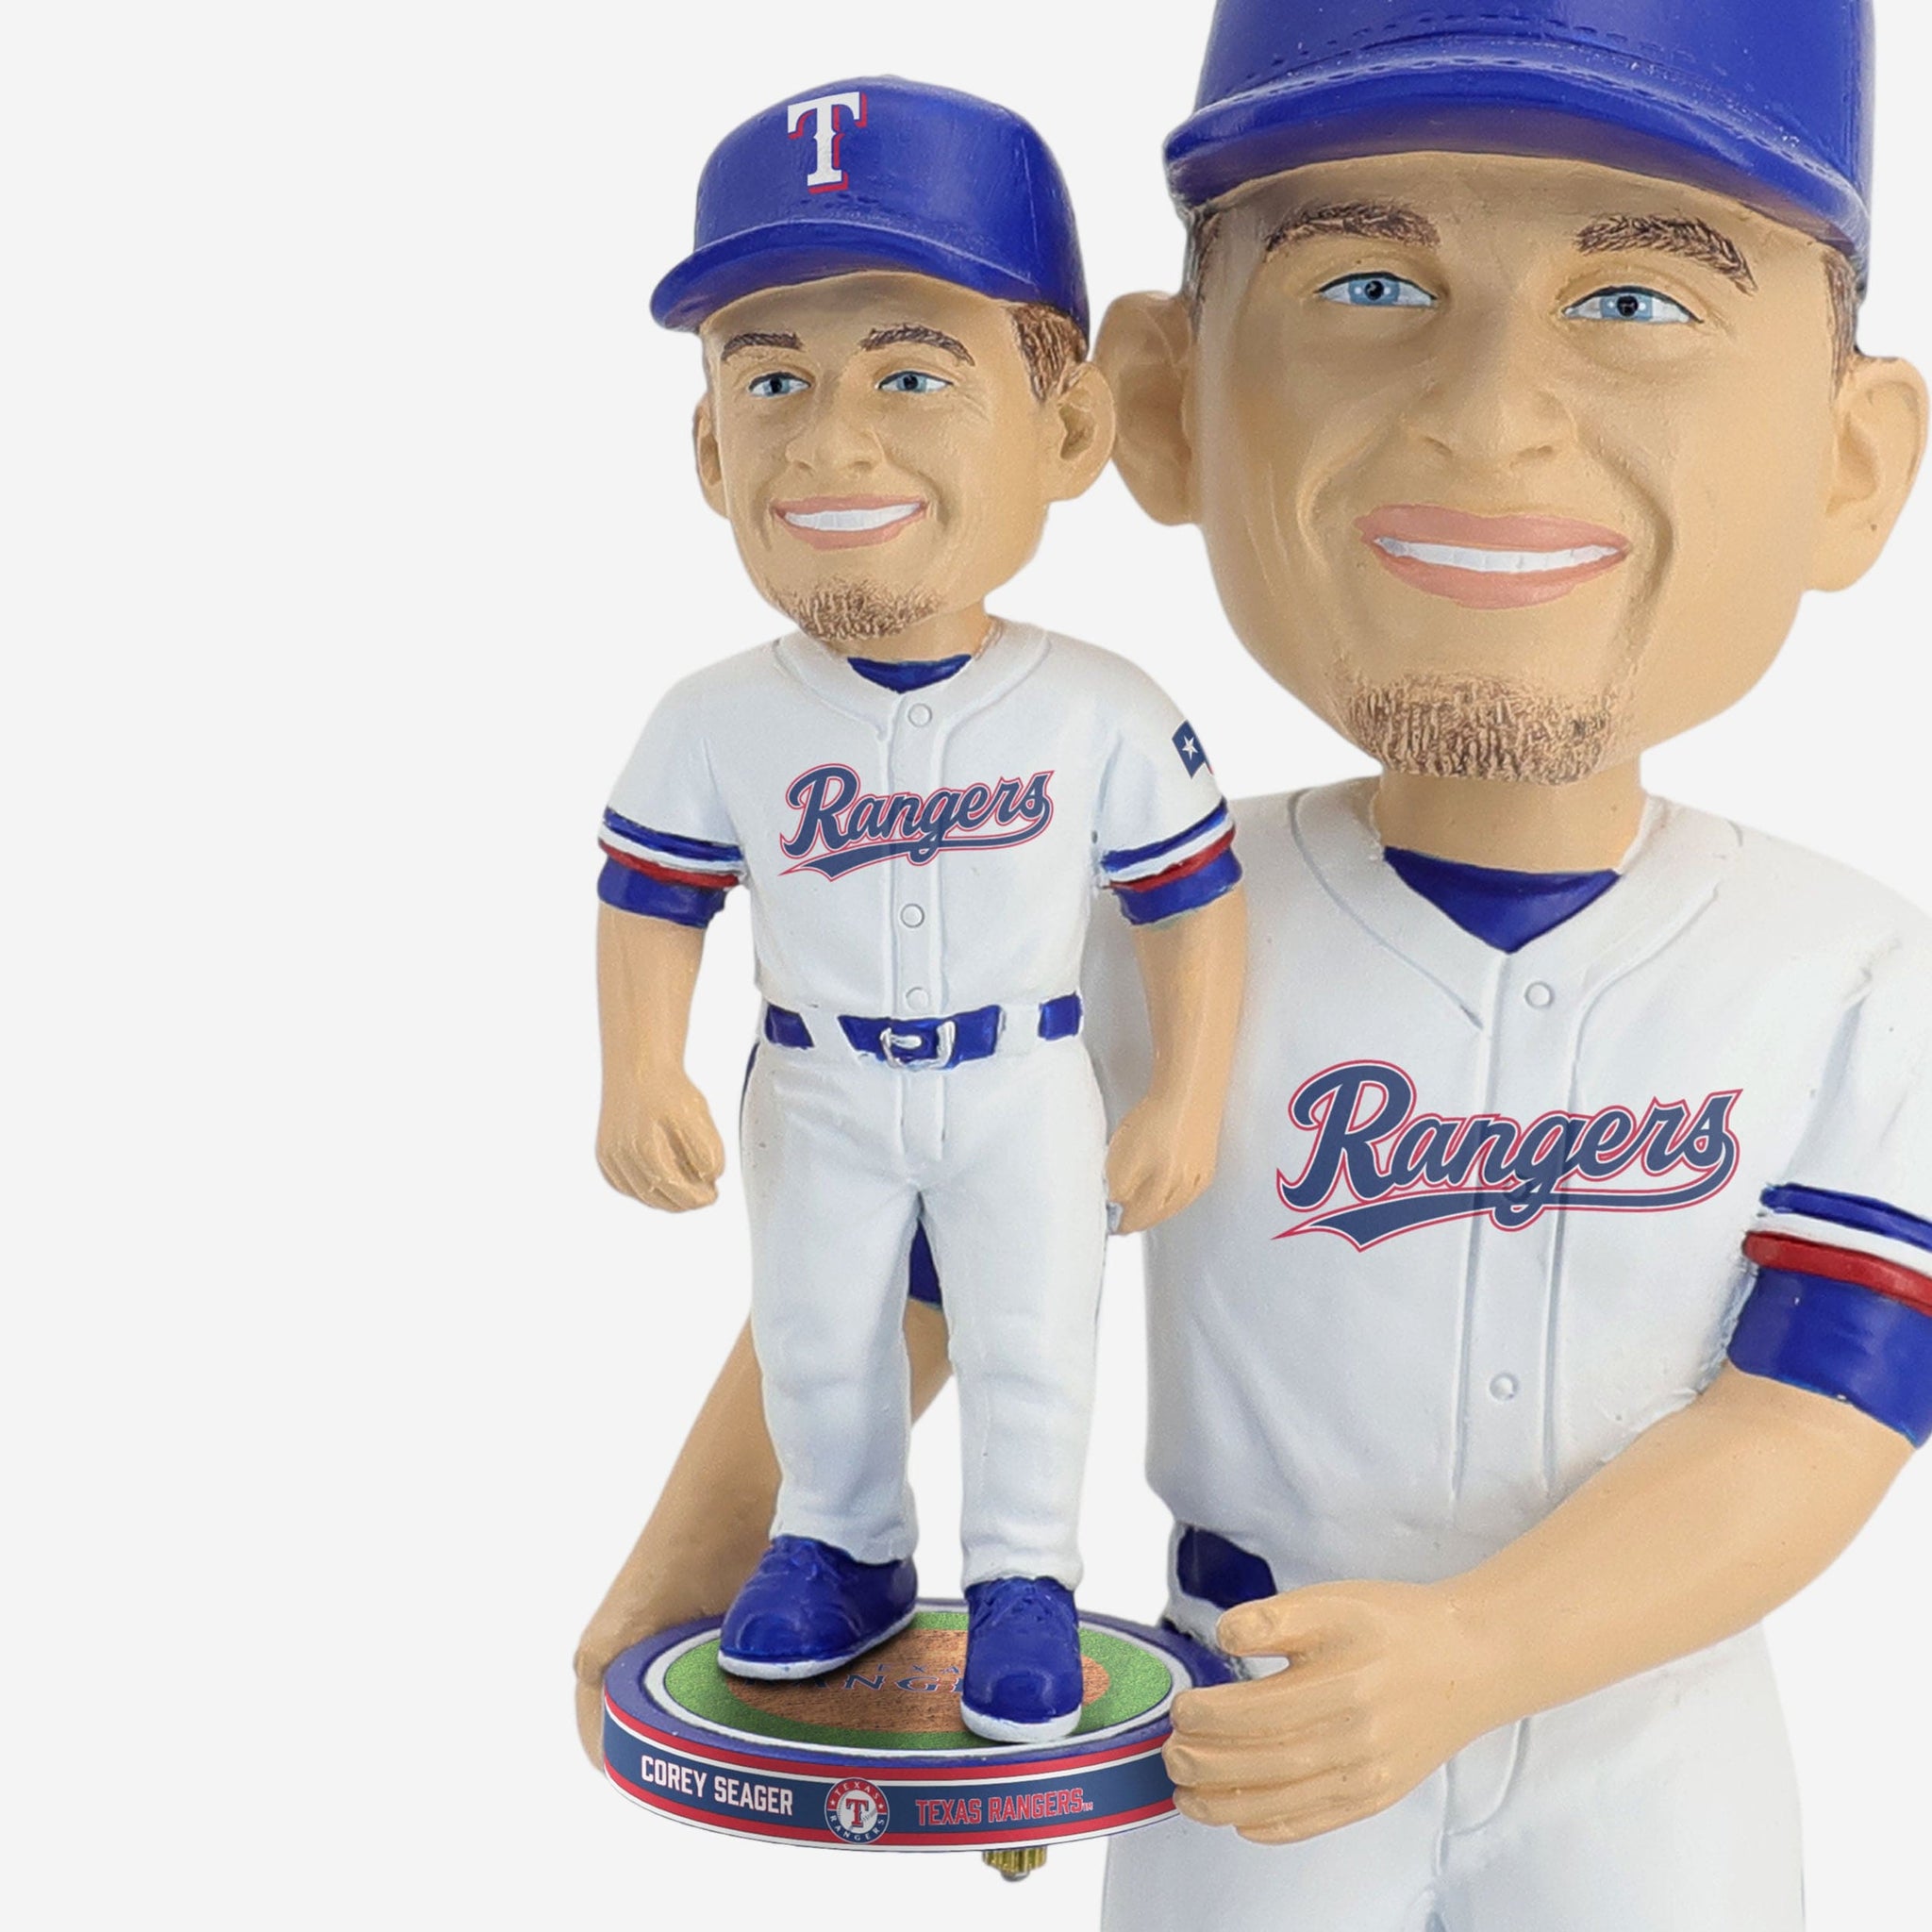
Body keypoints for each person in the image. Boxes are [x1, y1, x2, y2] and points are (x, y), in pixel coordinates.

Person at [582, 4, 1932, 1921]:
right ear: (1163, 407)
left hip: (1654, 1739)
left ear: (1852, 463)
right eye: (1370, 285)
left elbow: (1816, 1420)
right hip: (1233, 1721)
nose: (1492, 415)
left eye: (1634, 304)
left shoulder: (1855, 974)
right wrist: (692, 1569)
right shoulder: (1144, 920)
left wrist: (1478, 1653)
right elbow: (921, 1270)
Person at [594, 75, 1243, 1746]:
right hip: (813, 1077)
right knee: (817, 1335)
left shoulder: (1100, 707)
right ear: (707, 447)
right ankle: (840, 1546)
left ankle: (1024, 1577)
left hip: (1025, 1077)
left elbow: (1189, 901)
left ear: (1070, 429)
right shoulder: (714, 718)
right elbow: (654, 895)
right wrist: (640, 1068)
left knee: (1031, 1337)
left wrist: (1185, 1090)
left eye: (910, 374)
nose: (832, 442)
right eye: (772, 381)